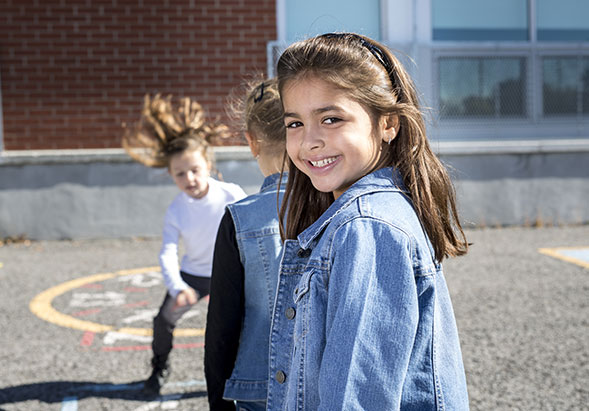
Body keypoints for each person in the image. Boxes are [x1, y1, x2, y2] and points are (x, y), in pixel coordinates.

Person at [267, 33, 470, 410]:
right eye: (294, 123)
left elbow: (357, 399)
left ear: (388, 123)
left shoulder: (368, 227)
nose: (309, 141)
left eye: (331, 119)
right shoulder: (365, 217)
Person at [122, 94, 246, 397]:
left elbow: (248, 236)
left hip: (227, 274)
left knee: (239, 327)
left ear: (208, 164)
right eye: (180, 173)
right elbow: (167, 251)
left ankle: (243, 374)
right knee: (162, 320)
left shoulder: (232, 194)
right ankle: (159, 367)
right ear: (170, 175)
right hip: (193, 274)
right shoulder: (176, 209)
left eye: (194, 169)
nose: (189, 178)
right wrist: (177, 287)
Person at [204, 78, 287, 411]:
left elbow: (221, 327)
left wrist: (218, 402)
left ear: (252, 142)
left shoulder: (240, 220)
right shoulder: (340, 208)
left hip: (260, 390)